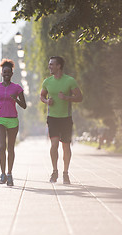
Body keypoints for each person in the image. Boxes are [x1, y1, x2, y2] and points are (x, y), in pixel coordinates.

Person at [40, 56, 83, 184]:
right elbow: (41, 96)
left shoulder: (70, 81)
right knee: (54, 145)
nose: (49, 67)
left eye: (52, 64)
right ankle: (54, 171)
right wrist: (47, 101)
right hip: (52, 118)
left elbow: (80, 97)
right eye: (49, 64)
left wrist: (66, 98)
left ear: (59, 66)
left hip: (66, 118)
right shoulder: (47, 81)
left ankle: (65, 173)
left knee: (66, 146)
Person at [0, 58, 27, 186]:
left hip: (12, 120)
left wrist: (15, 100)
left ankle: (10, 174)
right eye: (4, 72)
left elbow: (24, 105)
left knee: (10, 147)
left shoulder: (17, 88)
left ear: (11, 73)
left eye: (8, 72)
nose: (6, 74)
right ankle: (2, 174)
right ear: (1, 73)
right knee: (2, 146)